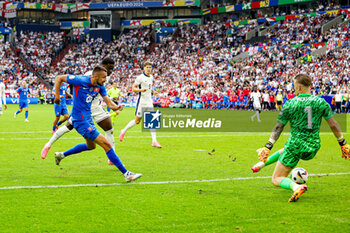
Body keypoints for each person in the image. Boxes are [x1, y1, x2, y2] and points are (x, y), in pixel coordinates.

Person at [250, 74, 350, 202]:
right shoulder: (320, 102)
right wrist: (343, 144)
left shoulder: (291, 103)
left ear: (299, 87)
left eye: (294, 86)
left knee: (276, 179)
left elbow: (279, 127)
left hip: (295, 145)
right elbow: (333, 124)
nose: (294, 88)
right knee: (284, 150)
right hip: (313, 146)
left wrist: (268, 146)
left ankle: (296, 187)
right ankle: (260, 165)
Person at [53, 65, 142, 182]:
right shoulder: (80, 80)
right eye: (104, 77)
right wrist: (58, 97)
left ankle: (61, 155)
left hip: (88, 119)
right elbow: (59, 78)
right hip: (79, 120)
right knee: (106, 144)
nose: (106, 79)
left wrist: (116, 107)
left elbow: (109, 103)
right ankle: (126, 174)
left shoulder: (100, 87)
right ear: (95, 76)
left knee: (91, 146)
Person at [41, 58, 117, 165]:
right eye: (110, 68)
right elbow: (77, 85)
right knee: (68, 127)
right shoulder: (90, 75)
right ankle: (48, 145)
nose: (110, 72)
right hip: (83, 108)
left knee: (108, 129)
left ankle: (111, 158)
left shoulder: (105, 78)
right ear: (104, 65)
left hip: (96, 107)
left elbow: (104, 96)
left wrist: (115, 106)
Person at [119, 60, 162, 148]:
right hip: (141, 102)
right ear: (144, 68)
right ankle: (123, 130)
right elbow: (133, 89)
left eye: (150, 67)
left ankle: (154, 141)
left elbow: (149, 88)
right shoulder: (140, 77)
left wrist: (153, 92)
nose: (149, 69)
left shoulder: (151, 77)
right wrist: (141, 90)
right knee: (137, 121)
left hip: (149, 101)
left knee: (152, 121)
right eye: (147, 67)